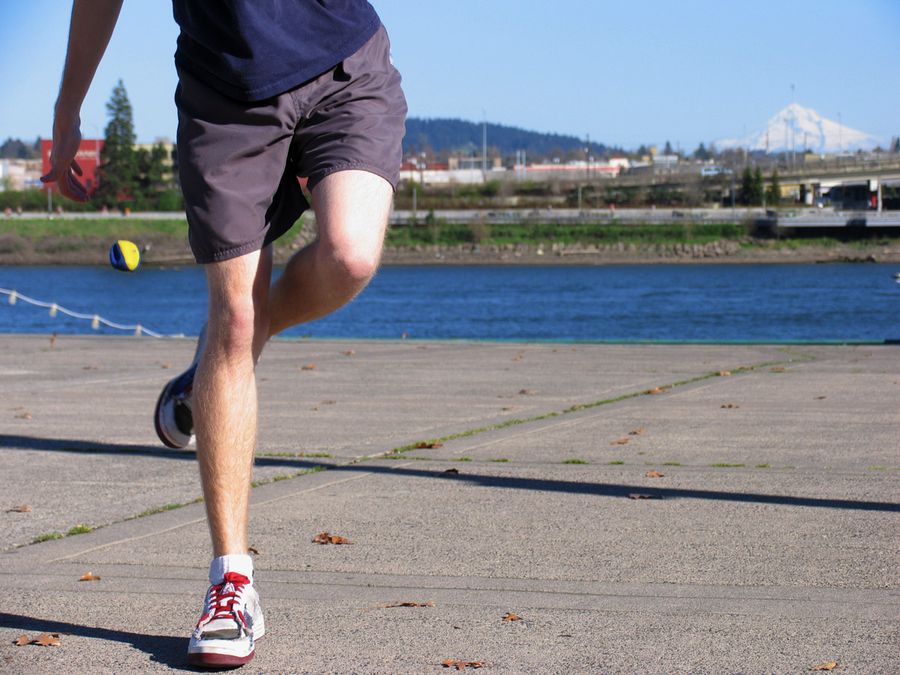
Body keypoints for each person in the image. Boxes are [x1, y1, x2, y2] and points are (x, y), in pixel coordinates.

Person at [42, 0, 406, 667]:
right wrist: (69, 110)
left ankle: (210, 371)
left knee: (350, 256)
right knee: (232, 318)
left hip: (344, 64)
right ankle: (231, 582)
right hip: (225, 98)